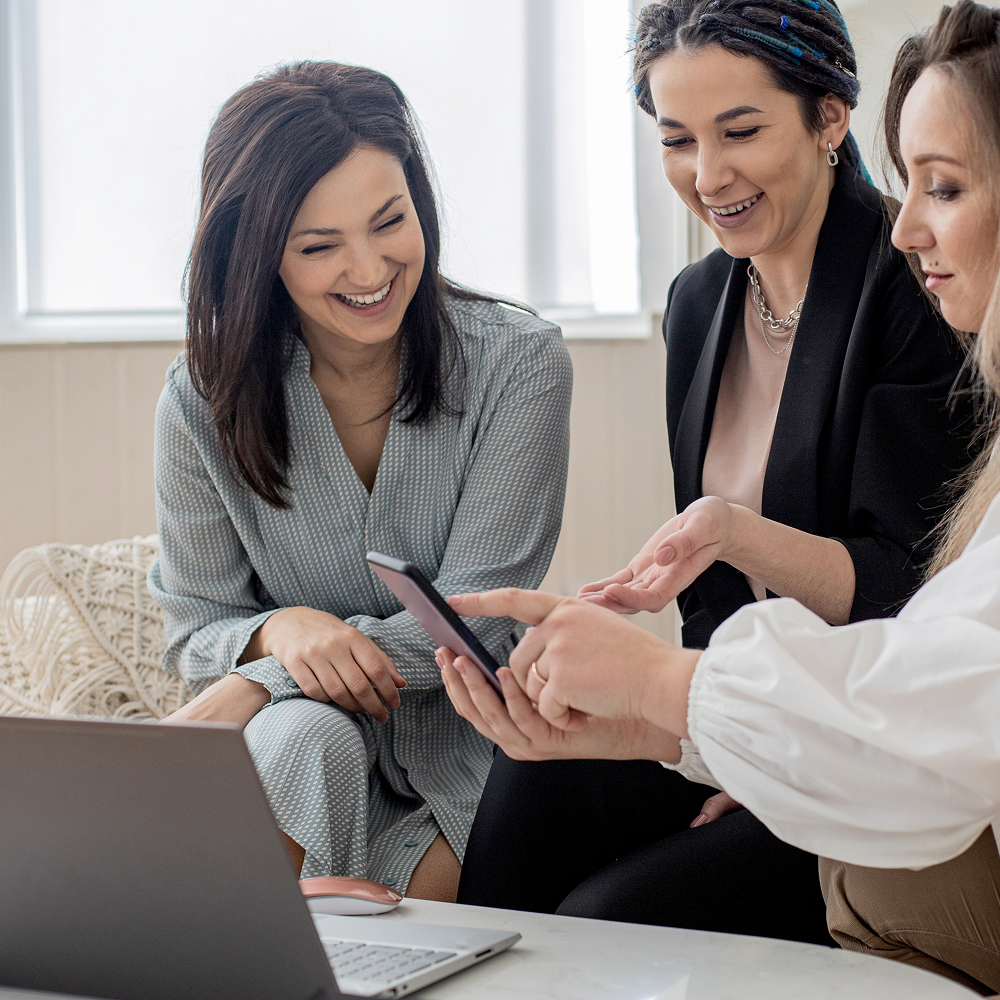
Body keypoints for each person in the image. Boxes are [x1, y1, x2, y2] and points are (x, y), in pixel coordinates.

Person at [440, 0, 1000, 991]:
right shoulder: (699, 303)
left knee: (606, 919)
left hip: (854, 720)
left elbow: (912, 601)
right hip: (749, 708)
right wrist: (694, 720)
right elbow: (709, 608)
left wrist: (738, 703)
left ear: (830, 118)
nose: (707, 175)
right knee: (536, 776)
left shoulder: (917, 285)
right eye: (677, 140)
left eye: (739, 131)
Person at [148, 61, 572, 901]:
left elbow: (473, 622)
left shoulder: (520, 364)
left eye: (390, 221)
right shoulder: (201, 400)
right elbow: (195, 630)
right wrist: (282, 631)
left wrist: (262, 674)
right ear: (258, 255)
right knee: (304, 737)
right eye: (319, 246)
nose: (371, 268)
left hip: (474, 763)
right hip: (295, 755)